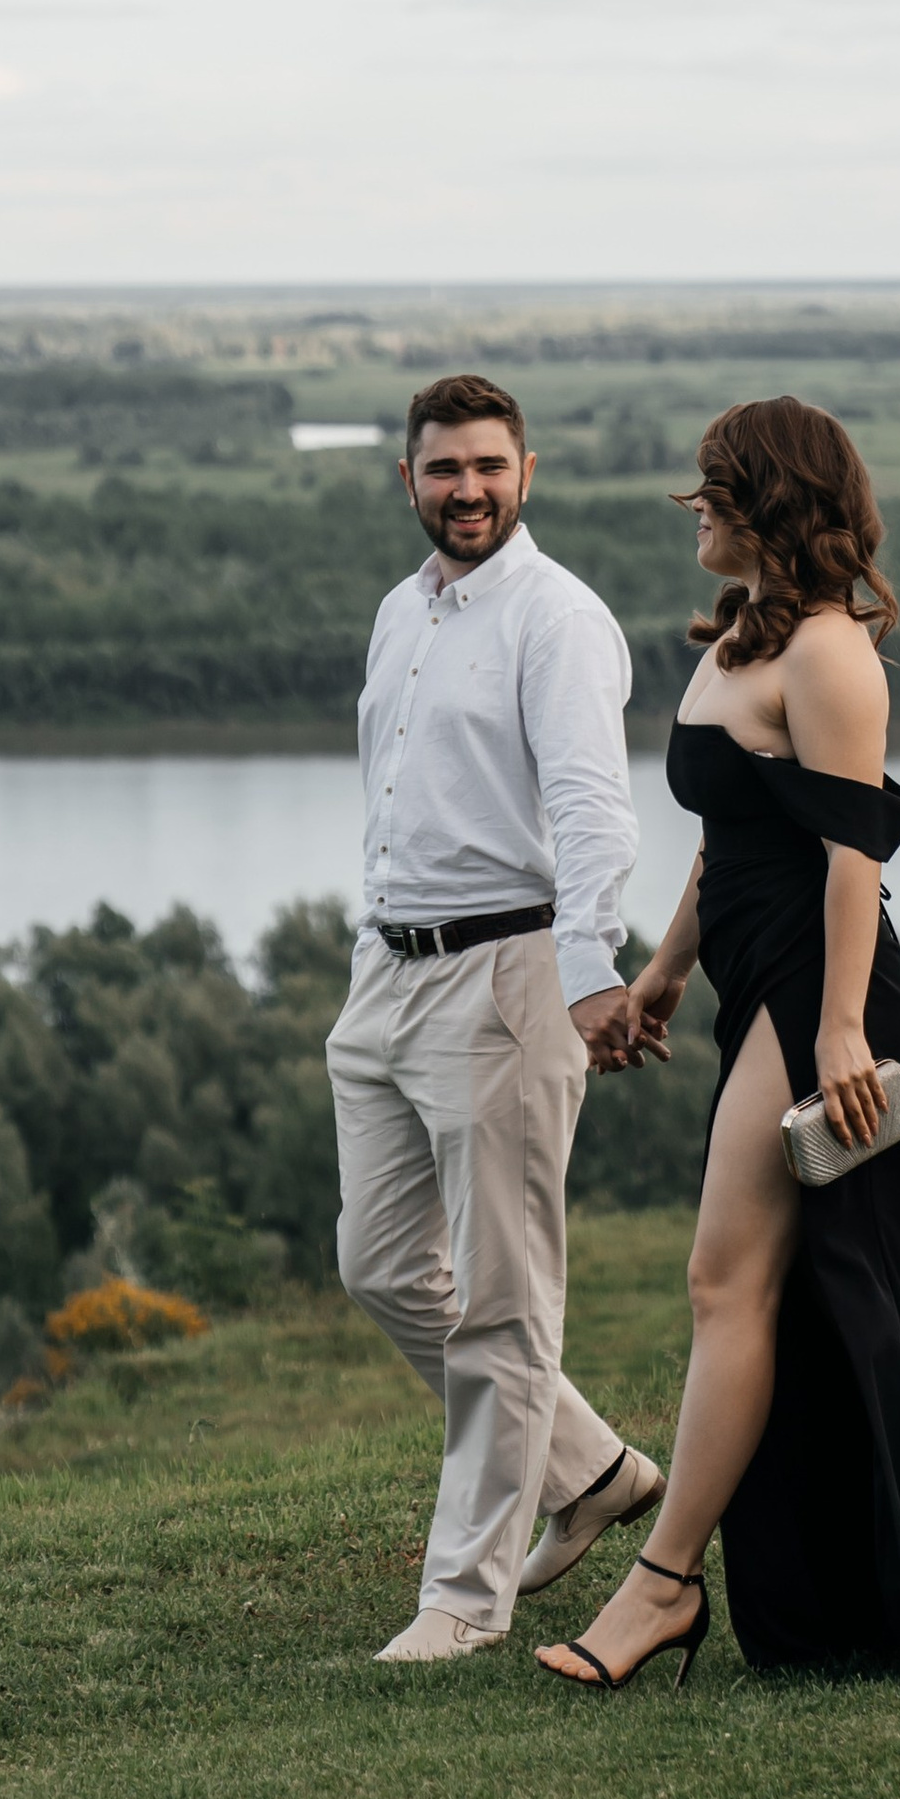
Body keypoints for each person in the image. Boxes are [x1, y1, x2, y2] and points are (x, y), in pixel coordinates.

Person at [535, 394, 900, 1691]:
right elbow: (734, 842)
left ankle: (660, 1586)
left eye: (715, 493)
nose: (697, 514)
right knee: (755, 1288)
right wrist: (664, 973)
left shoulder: (831, 655)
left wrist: (834, 1027)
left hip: (817, 997)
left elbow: (849, 859)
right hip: (752, 979)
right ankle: (729, 1580)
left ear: (772, 503)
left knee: (726, 1282)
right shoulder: (733, 643)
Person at [329, 372, 667, 1662]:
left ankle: (464, 1604)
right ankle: (592, 1472)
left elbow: (593, 813)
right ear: (407, 480)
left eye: (487, 467)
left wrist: (591, 972)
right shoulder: (398, 614)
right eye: (441, 469)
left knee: (504, 1304)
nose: (465, 489)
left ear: (528, 473)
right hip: (390, 972)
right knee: (378, 1264)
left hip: (511, 975)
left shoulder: (560, 621)